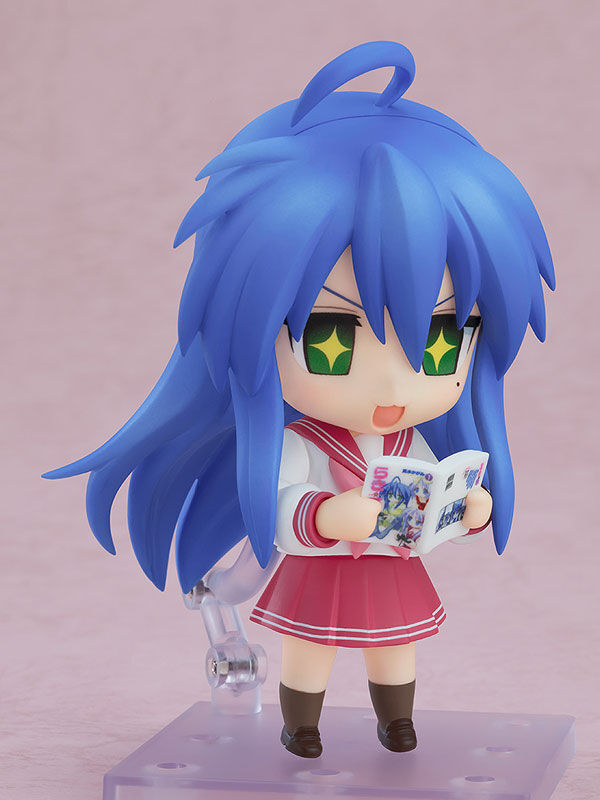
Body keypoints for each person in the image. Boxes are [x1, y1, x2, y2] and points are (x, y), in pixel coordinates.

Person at [44, 41, 554, 758]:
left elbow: (435, 504)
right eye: (331, 338)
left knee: (395, 650)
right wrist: (323, 515)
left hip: (390, 569)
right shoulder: (304, 443)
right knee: (308, 651)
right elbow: (282, 505)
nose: (393, 384)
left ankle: (396, 720)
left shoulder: (414, 442)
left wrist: (467, 510)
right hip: (320, 567)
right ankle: (301, 725)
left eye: (442, 341)